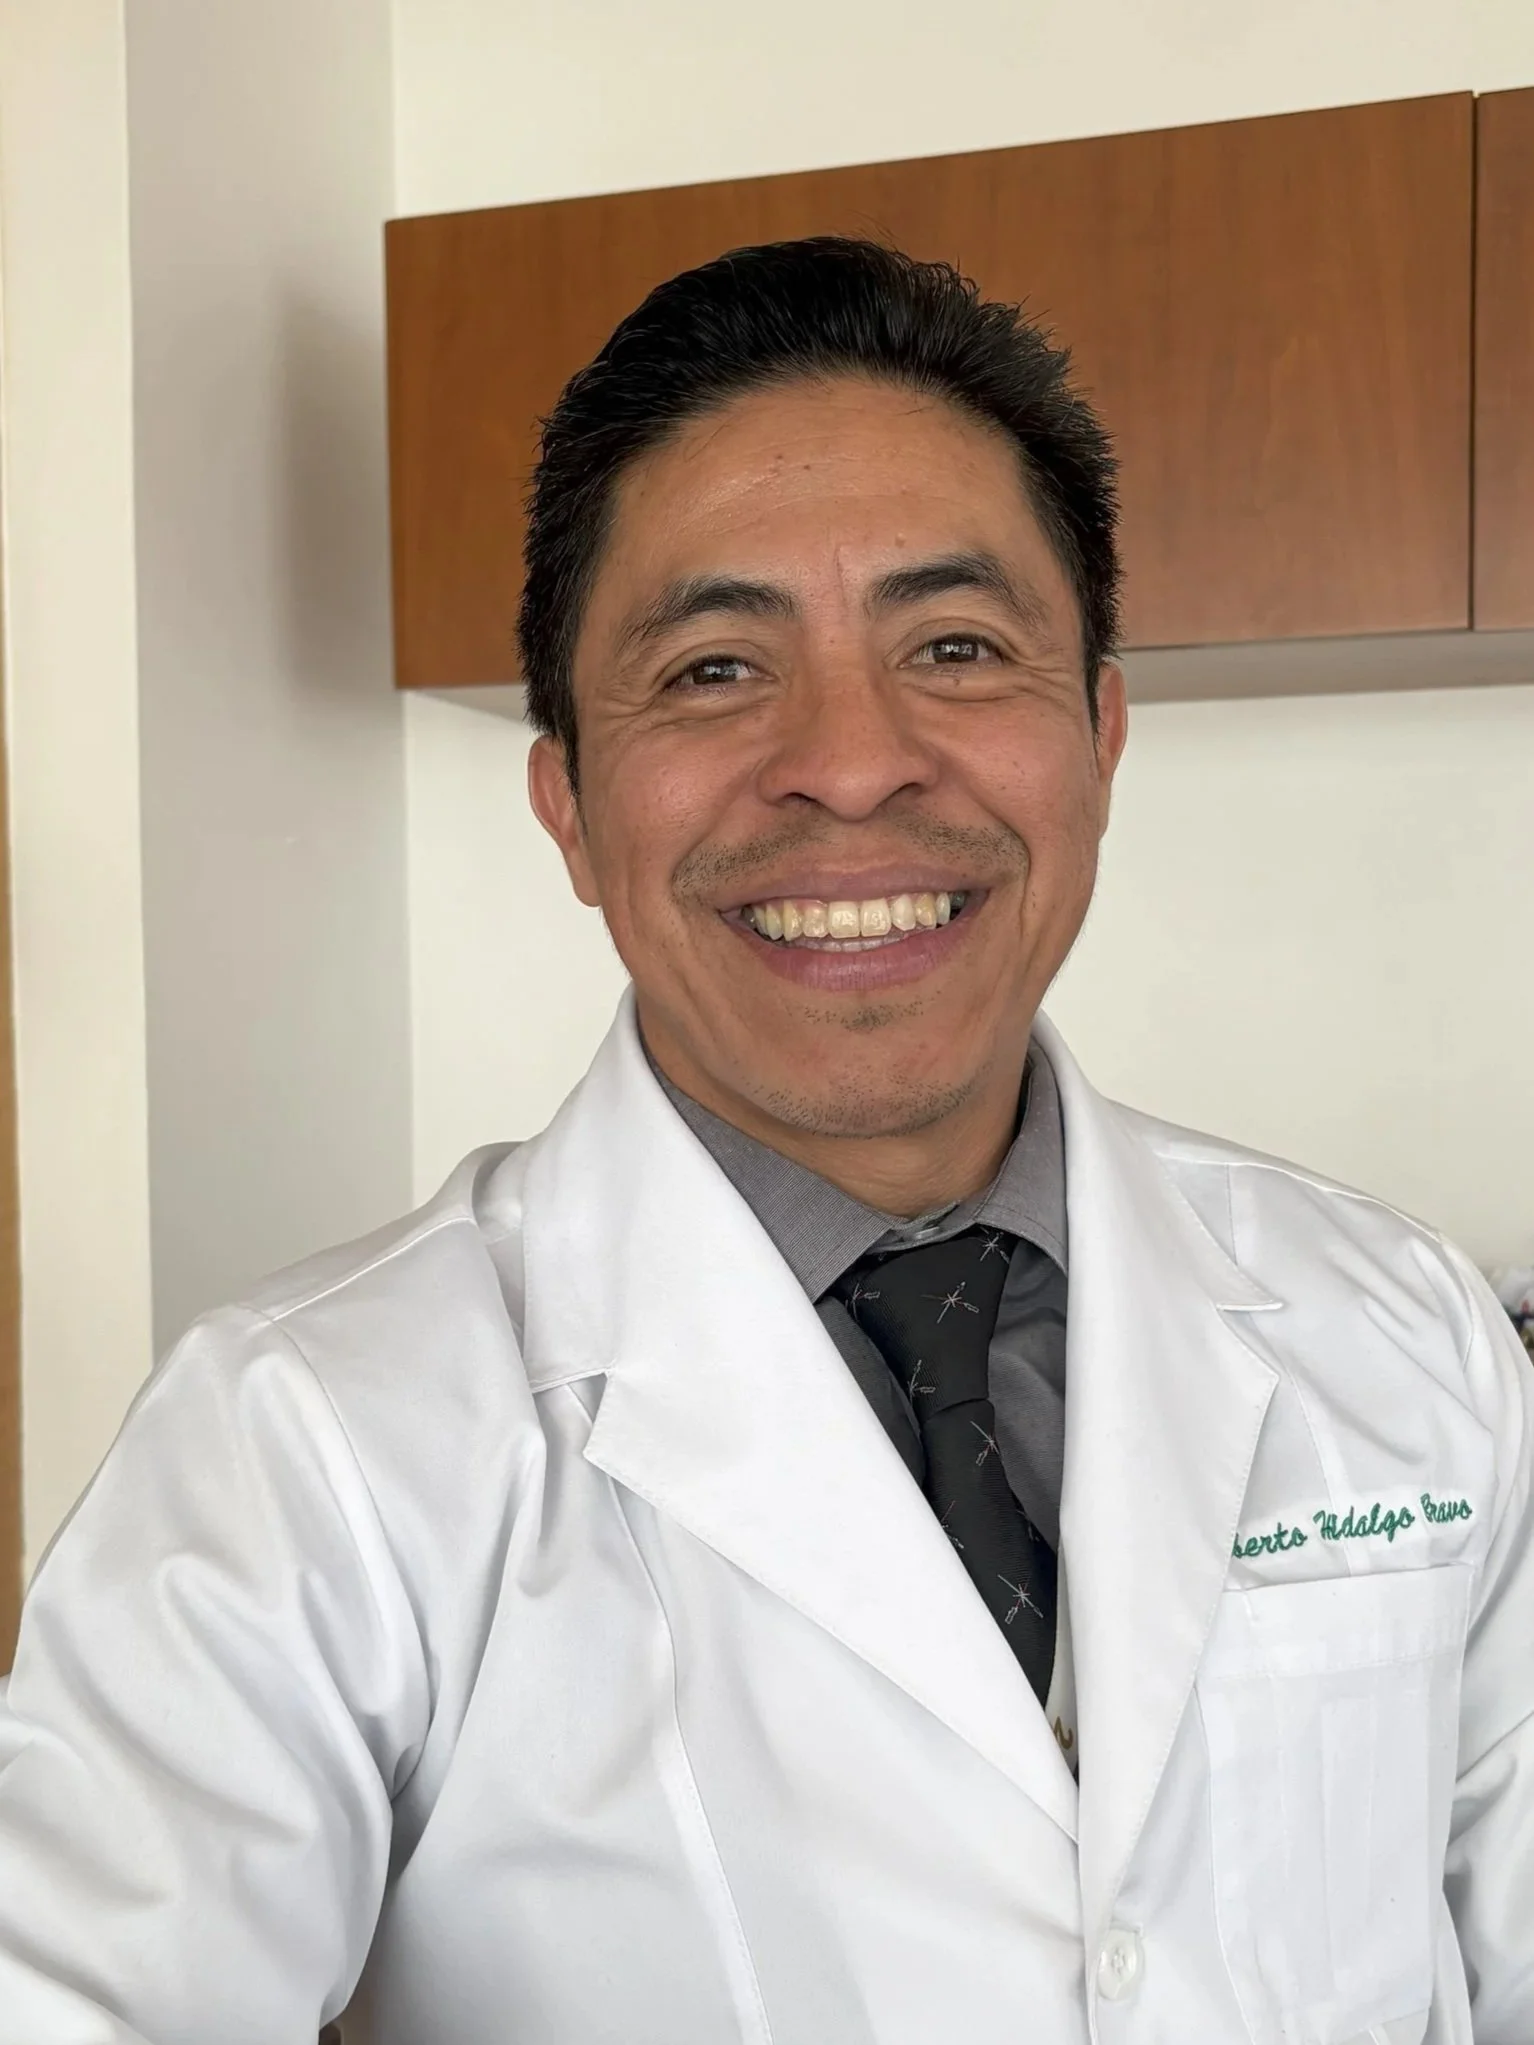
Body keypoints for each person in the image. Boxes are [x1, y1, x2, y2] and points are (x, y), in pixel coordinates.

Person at [0, 236, 1529, 2044]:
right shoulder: (297, 1445)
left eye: (953, 646)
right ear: (570, 806)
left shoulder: (1407, 1329)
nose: (853, 762)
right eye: (716, 668)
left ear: (1100, 736)